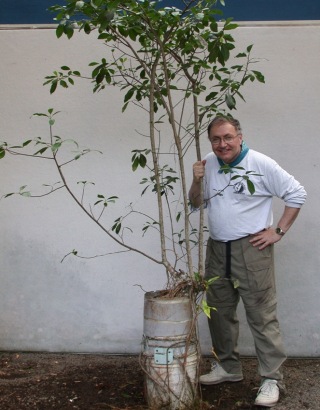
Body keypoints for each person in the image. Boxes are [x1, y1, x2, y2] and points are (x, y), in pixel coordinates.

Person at [189, 116, 307, 408]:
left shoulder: (260, 163)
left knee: (261, 315)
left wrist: (277, 231)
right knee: (219, 311)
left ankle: (271, 378)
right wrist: (196, 179)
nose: (222, 144)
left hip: (251, 249)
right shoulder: (209, 162)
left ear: (239, 136)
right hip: (217, 249)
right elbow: (195, 202)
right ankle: (229, 368)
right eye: (216, 139)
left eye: (227, 137)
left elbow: (297, 193)